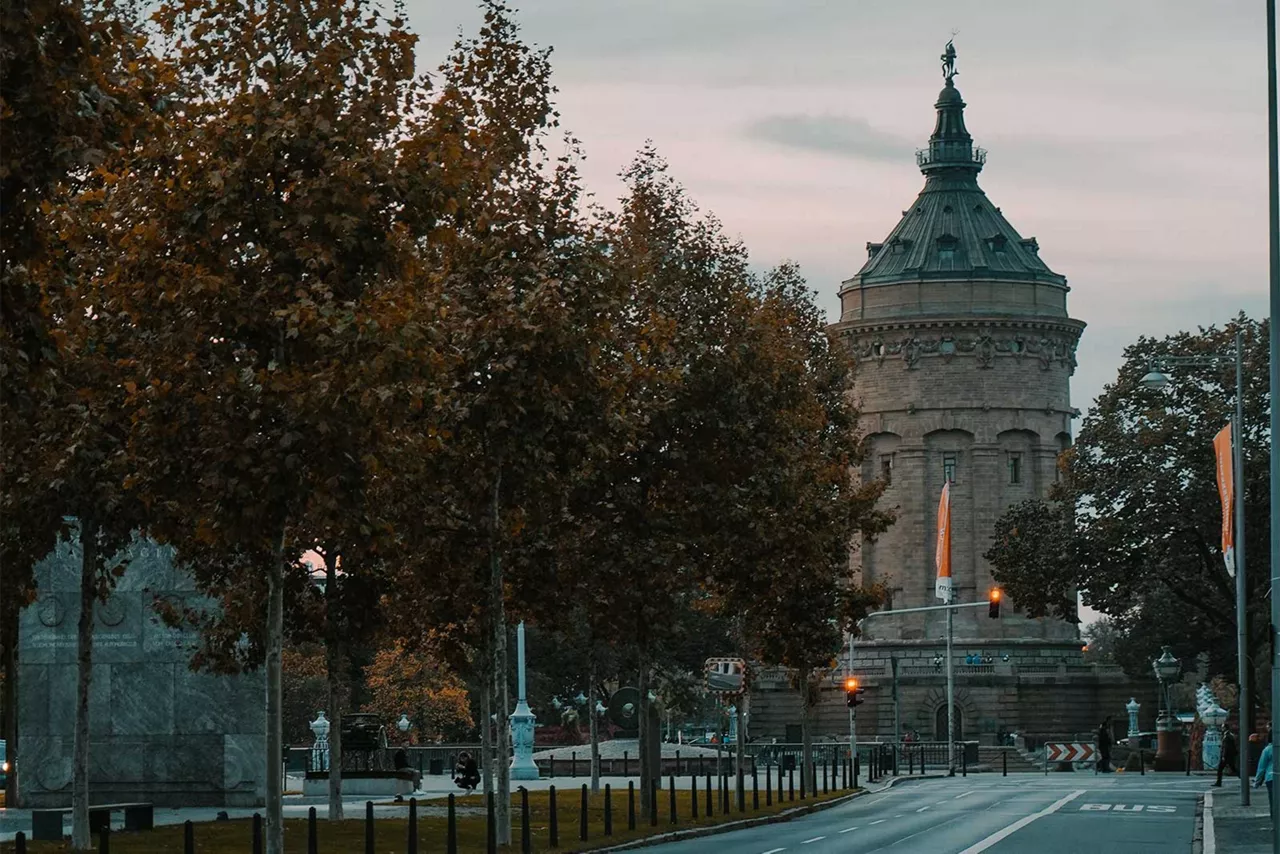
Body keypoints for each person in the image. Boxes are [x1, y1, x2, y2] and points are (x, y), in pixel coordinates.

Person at [1254, 726, 1274, 821]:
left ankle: (1275, 821)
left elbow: (1261, 768)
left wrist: (1257, 782)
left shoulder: (1267, 750)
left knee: (1273, 801)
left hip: (1271, 778)